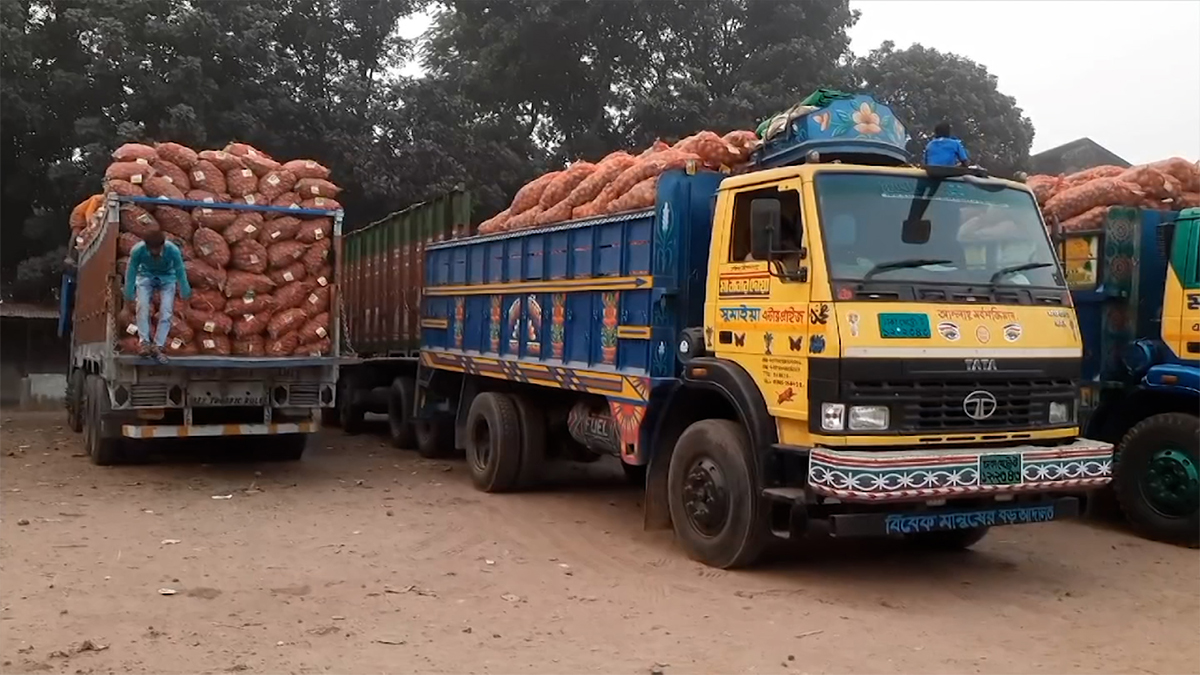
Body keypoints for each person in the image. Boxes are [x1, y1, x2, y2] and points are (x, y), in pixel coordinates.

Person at [124, 229, 191, 361]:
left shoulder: (173, 251)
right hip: (146, 276)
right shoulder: (138, 251)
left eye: (157, 249)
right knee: (142, 306)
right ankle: (144, 342)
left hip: (167, 278)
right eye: (151, 249)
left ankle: (159, 345)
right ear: (146, 246)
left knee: (166, 311)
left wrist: (185, 296)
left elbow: (181, 274)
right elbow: (130, 275)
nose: (154, 252)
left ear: (163, 245)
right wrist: (128, 299)